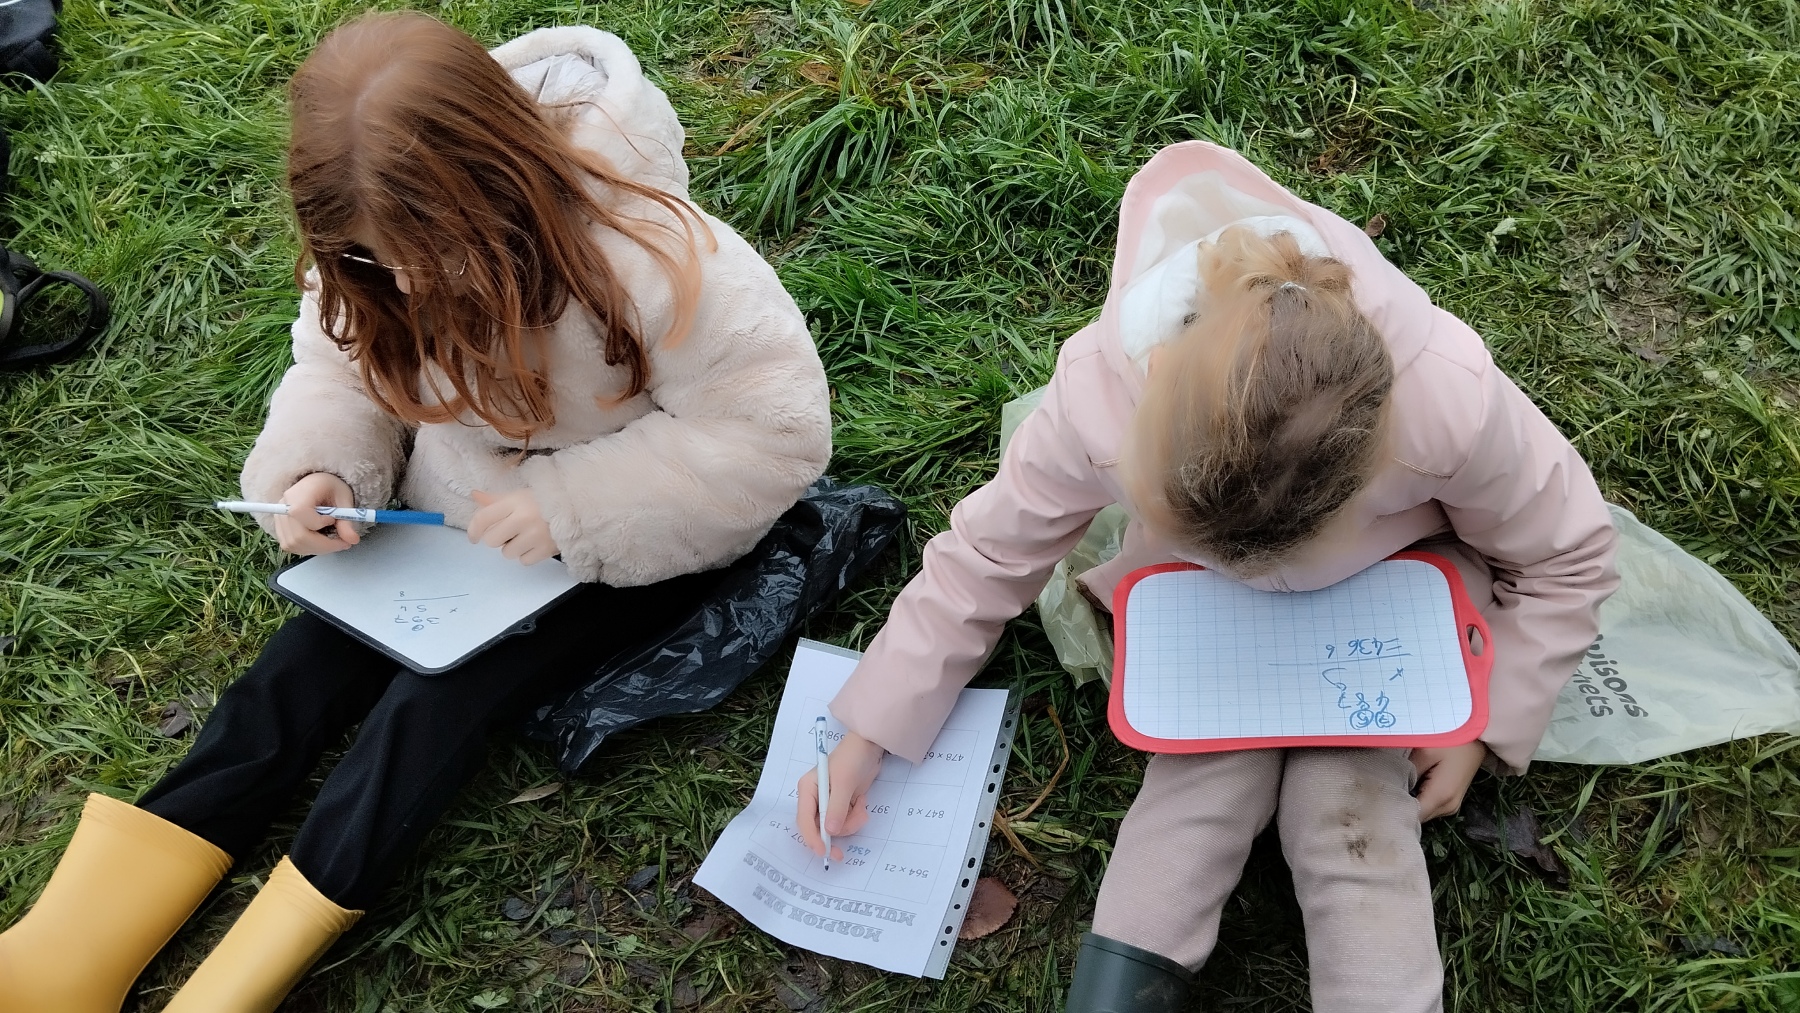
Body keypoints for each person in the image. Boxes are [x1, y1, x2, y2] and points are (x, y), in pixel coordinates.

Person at [0, 14, 830, 1012]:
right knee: (286, 681)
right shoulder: (374, 245)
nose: (402, 281)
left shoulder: (655, 254)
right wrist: (322, 472)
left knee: (432, 709)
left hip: (620, 542)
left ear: (501, 184)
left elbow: (773, 430)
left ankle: (235, 981)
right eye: (370, 260)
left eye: (428, 257)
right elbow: (338, 366)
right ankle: (71, 945)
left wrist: (571, 506)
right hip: (443, 526)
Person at [794, 142, 1617, 1013]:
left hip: (1395, 600)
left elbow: (1568, 553)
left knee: (1350, 807)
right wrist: (874, 723)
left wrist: (1485, 723)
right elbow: (988, 554)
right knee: (1197, 788)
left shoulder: (1443, 394)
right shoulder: (1095, 402)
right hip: (1204, 616)